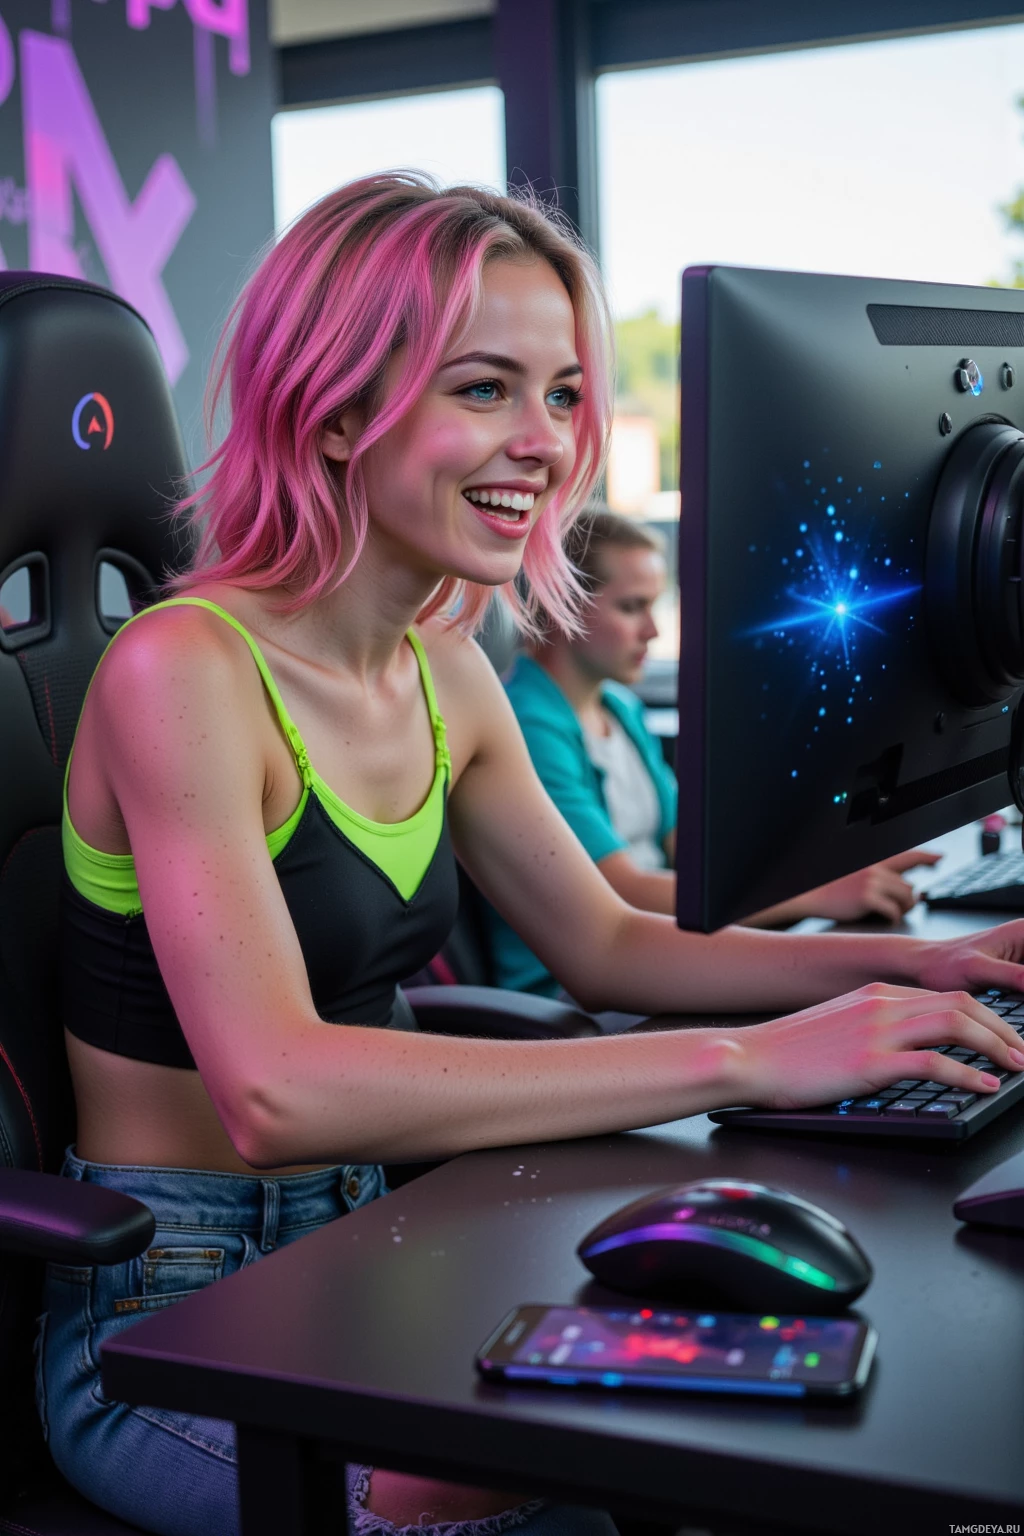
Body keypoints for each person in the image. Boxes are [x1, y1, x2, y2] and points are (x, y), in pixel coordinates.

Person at [39, 172, 1024, 1536]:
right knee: (560, 1483)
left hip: (377, 1240)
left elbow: (606, 940)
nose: (546, 444)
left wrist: (928, 961)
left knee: (727, 1426)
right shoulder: (184, 670)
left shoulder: (446, 665)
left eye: (563, 396)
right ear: (333, 411)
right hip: (172, 1309)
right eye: (485, 389)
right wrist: (752, 1057)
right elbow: (275, 1090)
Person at [486, 508, 942, 997]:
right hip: (573, 990)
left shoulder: (619, 707)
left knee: (862, 983)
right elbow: (620, 889)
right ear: (564, 602)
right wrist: (811, 895)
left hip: (657, 944)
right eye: (631, 607)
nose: (652, 632)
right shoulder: (528, 724)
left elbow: (683, 843)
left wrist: (823, 862)